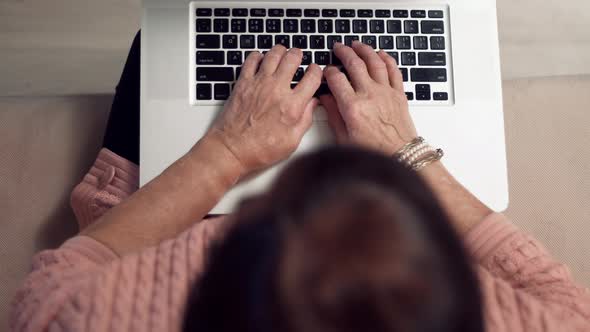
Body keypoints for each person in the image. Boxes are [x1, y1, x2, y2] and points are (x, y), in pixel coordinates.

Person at [10, 32, 590, 332]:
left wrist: (227, 152)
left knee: (160, 42)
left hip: (163, 227)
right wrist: (405, 152)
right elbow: (560, 301)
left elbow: (65, 275)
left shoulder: (94, 317)